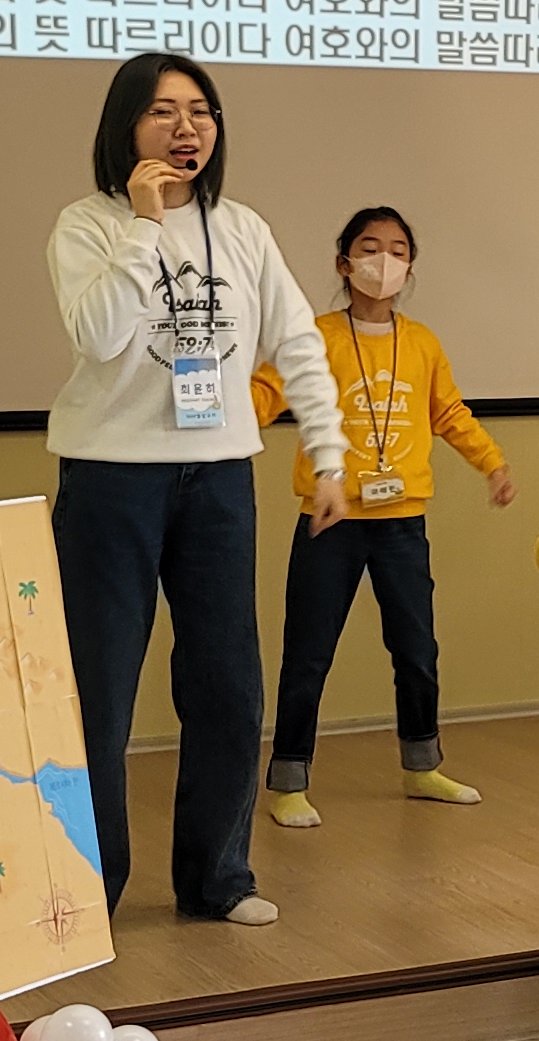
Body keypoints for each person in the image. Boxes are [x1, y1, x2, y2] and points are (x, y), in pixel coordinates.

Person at [47, 52, 345, 928]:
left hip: (218, 477)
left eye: (202, 111)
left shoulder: (242, 228)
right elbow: (101, 337)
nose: (187, 128)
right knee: (99, 691)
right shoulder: (86, 225)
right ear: (125, 127)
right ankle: (90, 890)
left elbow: (298, 342)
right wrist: (145, 226)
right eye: (164, 112)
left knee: (227, 685)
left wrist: (327, 453)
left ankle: (219, 878)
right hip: (110, 480)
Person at [262, 206, 512, 829]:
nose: (384, 261)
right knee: (309, 652)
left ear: (410, 267)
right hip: (331, 519)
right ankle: (289, 779)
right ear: (343, 263)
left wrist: (492, 462)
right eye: (370, 248)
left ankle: (421, 765)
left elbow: (448, 412)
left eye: (398, 250)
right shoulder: (316, 335)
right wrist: (216, 419)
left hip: (402, 521)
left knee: (416, 648)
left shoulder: (421, 342)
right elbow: (267, 390)